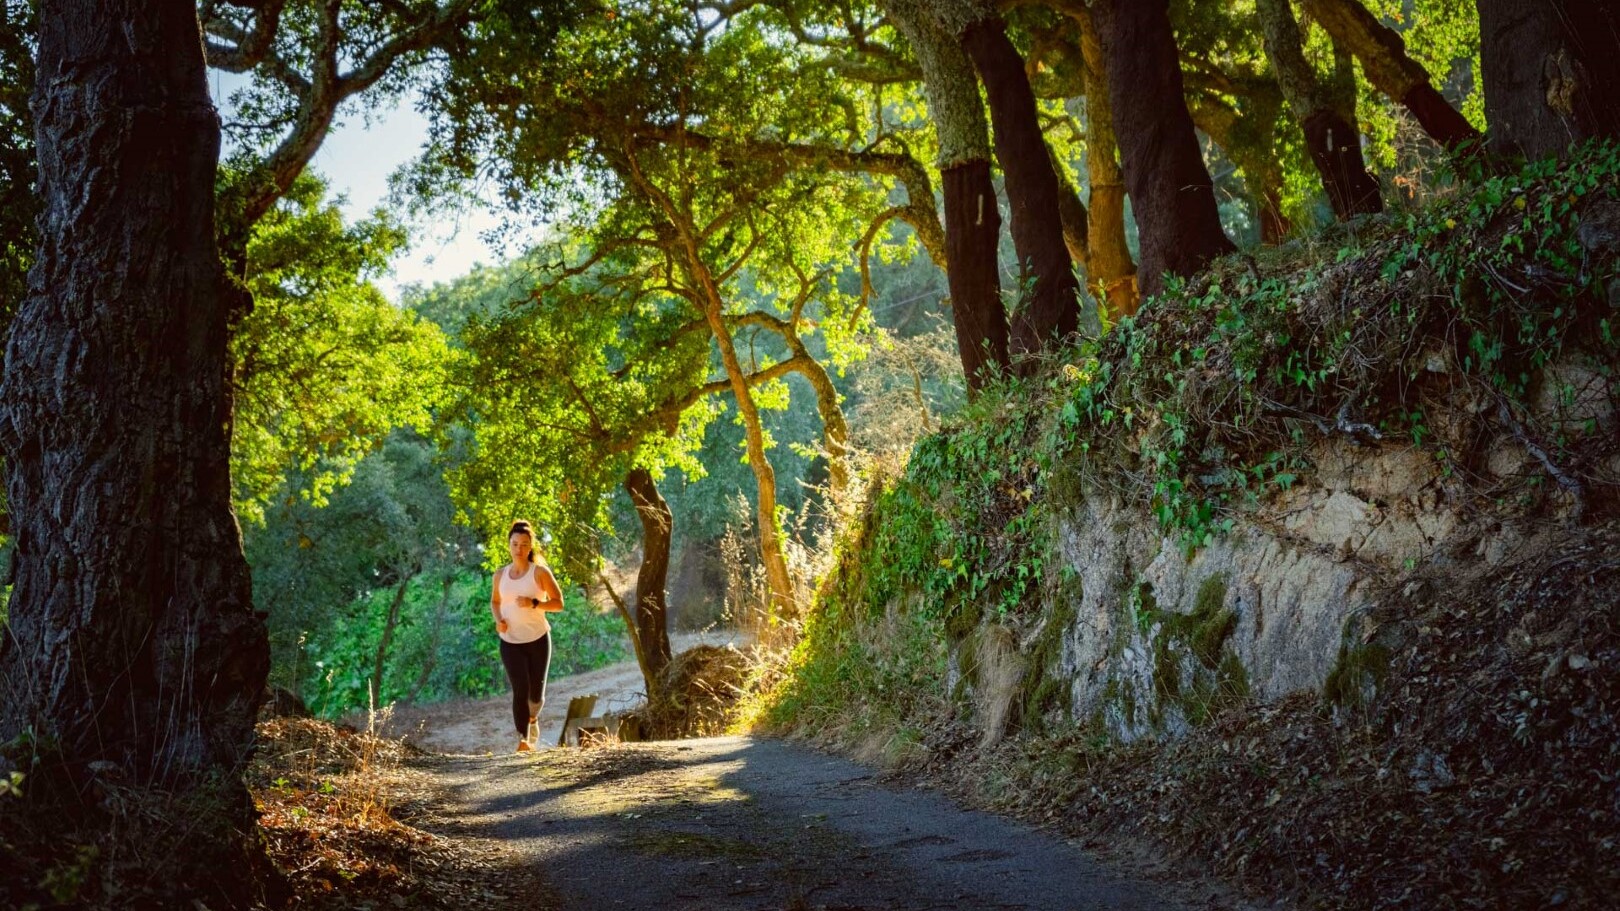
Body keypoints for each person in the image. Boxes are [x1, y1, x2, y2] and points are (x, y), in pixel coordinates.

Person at [490, 519, 564, 751]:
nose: (519, 549)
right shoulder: (499, 575)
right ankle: (523, 740)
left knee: (535, 697)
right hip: (510, 642)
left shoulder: (540, 573)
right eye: (515, 544)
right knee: (520, 690)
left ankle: (533, 719)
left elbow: (558, 604)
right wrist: (498, 620)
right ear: (509, 545)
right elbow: (495, 601)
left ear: (530, 546)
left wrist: (534, 603)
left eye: (524, 544)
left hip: (538, 640)